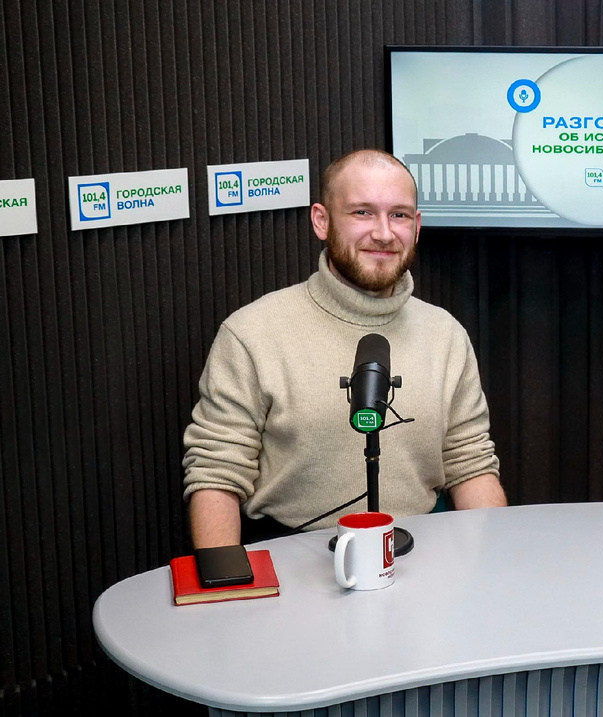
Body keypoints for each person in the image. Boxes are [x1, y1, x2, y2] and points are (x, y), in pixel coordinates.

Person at [184, 149, 505, 548]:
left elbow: (470, 464)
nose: (384, 233)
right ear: (322, 220)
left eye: (400, 215)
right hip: (292, 556)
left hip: (421, 548)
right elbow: (216, 473)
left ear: (418, 226)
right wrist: (227, 587)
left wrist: (494, 562)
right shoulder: (252, 333)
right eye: (362, 213)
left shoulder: (445, 334)